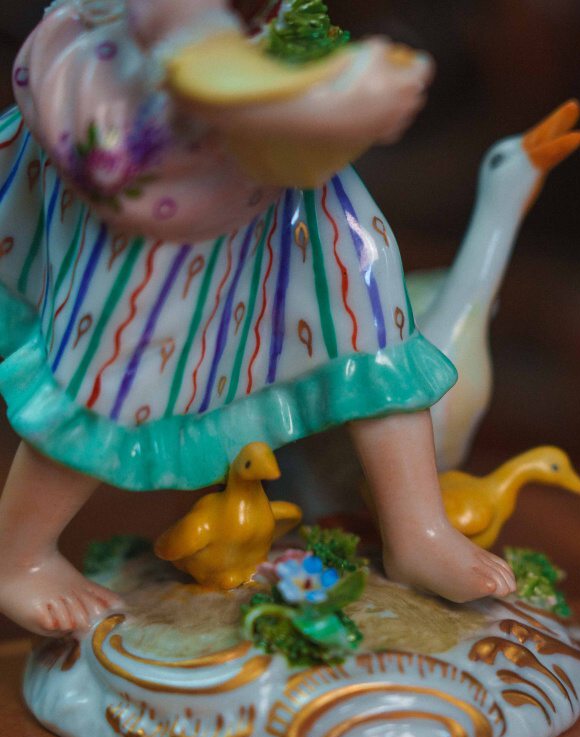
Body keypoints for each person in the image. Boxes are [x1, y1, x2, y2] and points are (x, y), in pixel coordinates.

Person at [0, 0, 515, 636]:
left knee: (360, 287)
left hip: (268, 148)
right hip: (163, 151)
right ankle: (19, 554)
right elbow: (197, 56)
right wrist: (333, 102)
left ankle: (417, 528)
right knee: (121, 353)